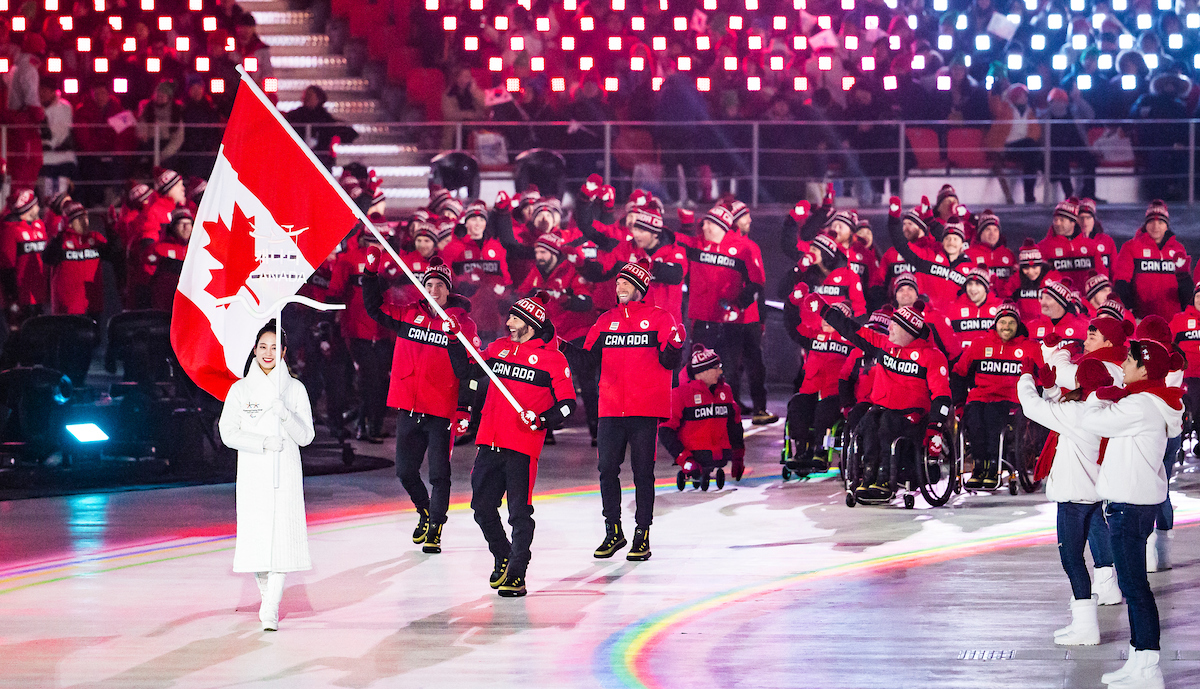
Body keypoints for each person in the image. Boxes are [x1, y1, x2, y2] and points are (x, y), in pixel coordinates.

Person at [1076, 337, 1184, 689]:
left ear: (1144, 368)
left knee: (1135, 587)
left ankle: (1149, 668)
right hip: (1133, 505)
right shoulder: (1148, 402)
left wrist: (1095, 393)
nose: (1122, 366)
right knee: (1134, 585)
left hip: (1129, 508)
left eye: (1129, 361)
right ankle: (1139, 659)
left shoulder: (1141, 405)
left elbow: (1094, 423)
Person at [457, 295, 576, 597]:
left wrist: (542, 420)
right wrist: (453, 337)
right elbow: (471, 372)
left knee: (519, 513)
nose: (507, 323)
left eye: (514, 319)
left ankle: (517, 572)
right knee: (481, 508)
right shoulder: (497, 349)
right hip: (488, 440)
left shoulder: (553, 359)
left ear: (531, 323)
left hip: (522, 446)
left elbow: (567, 406)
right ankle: (503, 554)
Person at [364, 252, 479, 554]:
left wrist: (465, 407)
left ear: (448, 289)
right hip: (409, 408)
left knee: (439, 474)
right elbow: (374, 309)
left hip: (442, 413)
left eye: (440, 285)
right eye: (429, 284)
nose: (434, 290)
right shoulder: (406, 315)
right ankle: (424, 510)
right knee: (405, 471)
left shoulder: (463, 325)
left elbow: (470, 371)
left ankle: (436, 529)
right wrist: (371, 273)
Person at [582, 261, 684, 561]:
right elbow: (587, 361)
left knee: (643, 473)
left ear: (640, 288)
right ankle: (613, 530)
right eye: (618, 284)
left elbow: (668, 362)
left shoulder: (659, 318)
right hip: (611, 409)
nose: (620, 288)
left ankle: (643, 534)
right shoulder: (604, 320)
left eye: (626, 283)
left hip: (644, 409)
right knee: (606, 472)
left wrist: (676, 346)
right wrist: (555, 342)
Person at [218, 322, 316, 631]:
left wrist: (286, 414)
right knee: (258, 542)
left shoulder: (295, 390)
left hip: (284, 470)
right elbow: (227, 432)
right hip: (252, 472)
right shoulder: (240, 389)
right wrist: (260, 442)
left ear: (284, 352)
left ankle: (271, 606)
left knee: (281, 540)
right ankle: (267, 597)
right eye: (263, 347)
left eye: (275, 348)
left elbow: (307, 436)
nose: (268, 353)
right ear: (254, 350)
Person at [808, 295, 951, 503]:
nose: (889, 329)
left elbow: (942, 396)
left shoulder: (932, 357)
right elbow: (852, 330)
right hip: (883, 407)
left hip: (913, 415)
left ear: (909, 332)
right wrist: (824, 310)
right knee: (866, 423)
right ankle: (866, 478)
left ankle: (885, 480)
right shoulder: (884, 346)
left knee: (886, 424)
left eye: (894, 325)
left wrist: (936, 426)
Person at [1017, 358, 1116, 646]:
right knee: (1079, 558)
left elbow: (1032, 408)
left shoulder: (1077, 413)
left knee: (1072, 560)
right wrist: (1050, 390)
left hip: (1073, 499)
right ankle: (1083, 621)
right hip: (1095, 494)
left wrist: (1026, 376)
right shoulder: (1106, 409)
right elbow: (1058, 411)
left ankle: (1086, 627)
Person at [952, 302, 1043, 490]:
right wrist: (959, 403)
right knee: (974, 418)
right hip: (980, 397)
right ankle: (979, 467)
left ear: (1018, 326)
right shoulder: (979, 344)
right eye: (1003, 322)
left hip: (1011, 401)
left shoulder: (1030, 348)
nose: (1007, 327)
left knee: (993, 416)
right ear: (995, 324)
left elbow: (1041, 378)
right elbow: (959, 373)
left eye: (1011, 322)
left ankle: (994, 467)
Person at [328, 225, 396, 443]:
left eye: (381, 241)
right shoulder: (348, 260)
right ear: (365, 240)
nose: (377, 245)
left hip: (384, 331)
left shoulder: (392, 262)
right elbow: (335, 292)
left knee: (382, 380)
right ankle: (364, 427)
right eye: (373, 240)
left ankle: (374, 425)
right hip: (357, 330)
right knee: (370, 380)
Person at [660, 344, 745, 485]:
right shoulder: (680, 395)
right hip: (693, 455)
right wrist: (684, 458)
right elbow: (665, 430)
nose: (720, 372)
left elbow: (734, 426)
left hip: (721, 455)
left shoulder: (725, 391)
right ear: (703, 371)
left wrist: (738, 457)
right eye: (716, 368)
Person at [1115, 200, 1190, 321]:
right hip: (1141, 319)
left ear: (1167, 225)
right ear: (1145, 224)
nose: (1156, 226)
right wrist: (1129, 311)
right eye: (1151, 221)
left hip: (1173, 320)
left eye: (1160, 222)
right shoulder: (1131, 247)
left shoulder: (1178, 249)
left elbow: (1184, 285)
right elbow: (1121, 282)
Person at [43, 201, 113, 317]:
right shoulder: (62, 241)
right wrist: (59, 236)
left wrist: (110, 230)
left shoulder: (95, 238)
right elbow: (47, 258)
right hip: (67, 308)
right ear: (69, 223)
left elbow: (113, 255)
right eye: (79, 218)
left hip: (92, 304)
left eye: (85, 217)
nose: (84, 221)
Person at [0, 189, 48, 331]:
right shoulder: (10, 230)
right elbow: (7, 266)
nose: (38, 208)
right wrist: (13, 297)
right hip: (22, 296)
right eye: (35, 205)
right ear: (28, 208)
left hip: (39, 293)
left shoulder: (39, 226)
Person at [286, 85, 358, 169]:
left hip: (321, 160)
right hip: (298, 159)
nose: (305, 98)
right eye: (305, 96)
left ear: (318, 99)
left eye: (310, 96)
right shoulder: (295, 116)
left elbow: (348, 133)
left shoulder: (325, 118)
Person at [38, 77, 78, 198]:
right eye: (40, 90)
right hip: (42, 158)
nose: (42, 93)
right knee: (45, 193)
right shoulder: (35, 108)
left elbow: (60, 133)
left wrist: (48, 143)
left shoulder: (65, 107)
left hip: (63, 157)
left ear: (52, 92)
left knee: (61, 193)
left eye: (45, 91)